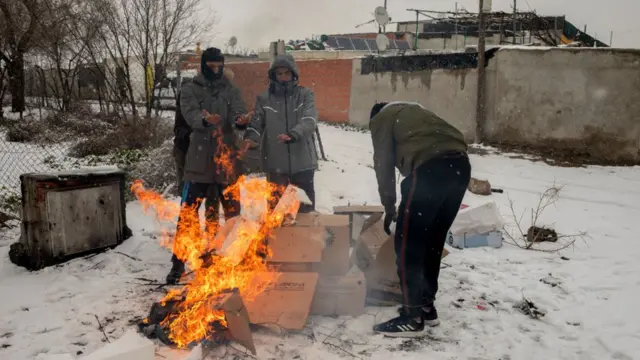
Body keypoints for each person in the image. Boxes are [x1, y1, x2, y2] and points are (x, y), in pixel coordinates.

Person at [368, 101, 471, 337]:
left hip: (430, 170)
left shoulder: (382, 118)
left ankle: (412, 317)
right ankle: (426, 305)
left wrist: (389, 206)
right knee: (432, 242)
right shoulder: (417, 112)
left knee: (408, 243)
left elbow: (382, 162)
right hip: (460, 167)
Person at [166, 47, 251, 284]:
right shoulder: (190, 89)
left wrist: (240, 121)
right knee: (188, 216)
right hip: (199, 161)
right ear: (204, 65)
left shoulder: (231, 90)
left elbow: (238, 112)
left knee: (233, 214)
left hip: (227, 160)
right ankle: (177, 264)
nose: (216, 69)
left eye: (219, 65)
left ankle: (235, 260)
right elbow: (191, 114)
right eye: (211, 65)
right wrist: (204, 120)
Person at [243, 54, 318, 213]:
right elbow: (256, 122)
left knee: (305, 214)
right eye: (279, 73)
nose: (283, 77)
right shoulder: (264, 99)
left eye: (287, 73)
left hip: (303, 163)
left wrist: (294, 134)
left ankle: (306, 239)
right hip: (276, 165)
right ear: (273, 75)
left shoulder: (305, 95)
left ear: (293, 74)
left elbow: (309, 120)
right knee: (277, 215)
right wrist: (250, 138)